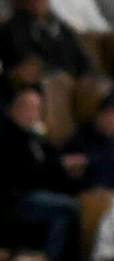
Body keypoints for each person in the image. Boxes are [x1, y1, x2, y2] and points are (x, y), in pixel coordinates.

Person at [3, 85, 89, 261]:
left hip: (40, 193)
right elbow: (23, 174)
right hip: (17, 197)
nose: (31, 113)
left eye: (36, 109)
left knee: (66, 213)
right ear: (12, 107)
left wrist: (67, 168)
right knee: (71, 207)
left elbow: (53, 161)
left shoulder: (35, 137)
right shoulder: (7, 135)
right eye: (26, 106)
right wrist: (59, 165)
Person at [3, 0, 96, 75]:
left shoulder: (59, 25)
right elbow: (28, 60)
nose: (39, 2)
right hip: (47, 80)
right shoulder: (14, 29)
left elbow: (80, 56)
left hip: (74, 80)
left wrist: (88, 76)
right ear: (22, 0)